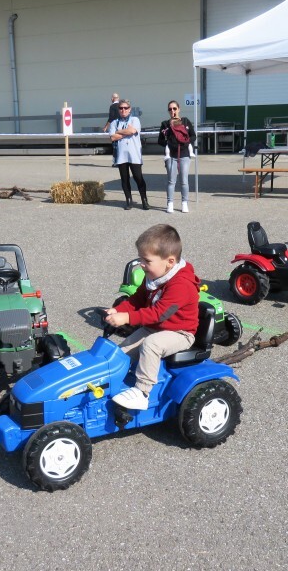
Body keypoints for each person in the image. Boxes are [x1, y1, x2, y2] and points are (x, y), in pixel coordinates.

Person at [105, 224, 200, 410]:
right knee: (121, 351)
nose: (142, 265)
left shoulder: (181, 285)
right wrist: (119, 310)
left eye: (147, 261)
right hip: (157, 327)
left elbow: (159, 313)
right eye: (141, 259)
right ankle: (110, 382)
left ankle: (142, 392)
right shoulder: (154, 276)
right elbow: (138, 299)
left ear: (169, 261)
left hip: (180, 332)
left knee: (151, 345)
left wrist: (127, 318)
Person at [108, 99, 149, 210]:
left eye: (125, 108)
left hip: (134, 155)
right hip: (121, 156)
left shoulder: (135, 120)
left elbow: (132, 131)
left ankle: (144, 200)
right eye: (121, 108)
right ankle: (128, 200)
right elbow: (112, 137)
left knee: (138, 177)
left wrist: (118, 132)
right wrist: (125, 132)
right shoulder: (114, 122)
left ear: (129, 109)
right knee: (124, 179)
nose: (123, 110)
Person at [158, 100, 196, 214]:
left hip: (184, 154)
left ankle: (184, 203)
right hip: (171, 156)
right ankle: (170, 203)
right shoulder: (165, 124)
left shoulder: (185, 121)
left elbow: (193, 136)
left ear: (179, 109)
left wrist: (186, 142)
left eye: (174, 108)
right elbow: (159, 140)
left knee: (184, 180)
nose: (172, 111)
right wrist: (168, 143)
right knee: (171, 181)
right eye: (170, 109)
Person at [102, 93, 121, 166]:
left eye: (111, 98)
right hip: (122, 128)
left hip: (115, 127)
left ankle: (116, 162)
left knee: (115, 145)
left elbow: (111, 117)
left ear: (113, 98)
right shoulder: (121, 106)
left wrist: (106, 126)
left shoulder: (112, 106)